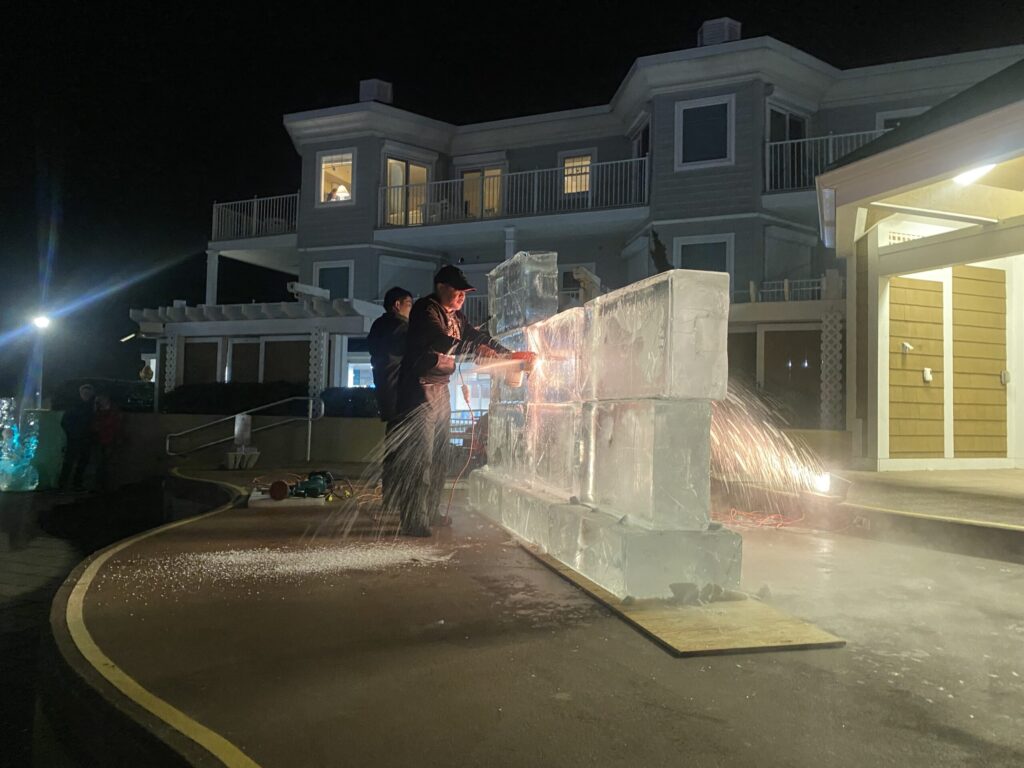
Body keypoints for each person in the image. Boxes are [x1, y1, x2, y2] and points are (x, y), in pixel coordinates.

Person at [396, 265, 530, 536]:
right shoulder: (426, 310)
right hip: (418, 391)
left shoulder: (456, 316)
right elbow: (440, 341)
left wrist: (507, 353)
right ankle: (413, 519)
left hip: (440, 389)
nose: (461, 297)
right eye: (458, 291)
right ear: (442, 287)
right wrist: (474, 349)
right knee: (420, 458)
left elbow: (477, 336)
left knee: (439, 456)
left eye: (464, 294)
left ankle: (430, 511)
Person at [367, 286, 413, 517]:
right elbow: (420, 349)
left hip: (387, 397)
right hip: (401, 398)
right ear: (397, 304)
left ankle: (391, 501)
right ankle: (401, 505)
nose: (411, 310)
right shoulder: (401, 328)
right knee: (404, 453)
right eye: (409, 304)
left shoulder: (378, 326)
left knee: (393, 451)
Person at [58, 383, 96, 491]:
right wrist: (73, 433)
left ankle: (75, 483)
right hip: (75, 438)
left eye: (88, 393)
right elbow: (64, 422)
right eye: (84, 393)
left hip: (85, 438)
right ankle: (63, 484)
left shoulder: (91, 407)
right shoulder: (75, 406)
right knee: (70, 461)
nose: (86, 395)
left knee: (82, 461)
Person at [92, 392, 123, 492]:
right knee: (103, 464)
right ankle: (105, 486)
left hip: (107, 440)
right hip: (105, 440)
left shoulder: (100, 412)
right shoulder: (111, 411)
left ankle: (104, 486)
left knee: (105, 464)